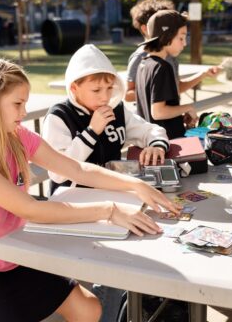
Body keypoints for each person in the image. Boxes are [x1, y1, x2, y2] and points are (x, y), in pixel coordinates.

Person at [0, 56, 179, 322]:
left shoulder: (17, 136)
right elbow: (30, 209)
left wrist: (136, 184)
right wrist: (109, 210)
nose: (23, 114)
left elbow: (77, 169)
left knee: (89, 308)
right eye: (17, 104)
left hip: (11, 257)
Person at [42, 44, 169, 321]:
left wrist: (156, 144)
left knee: (132, 254)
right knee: (112, 266)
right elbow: (59, 173)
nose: (104, 97)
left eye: (109, 89)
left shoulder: (117, 109)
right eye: (96, 90)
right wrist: (91, 131)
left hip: (115, 203)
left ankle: (120, 310)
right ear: (74, 88)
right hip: (74, 209)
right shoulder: (59, 116)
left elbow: (150, 129)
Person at [125, 0, 222, 102]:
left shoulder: (170, 54)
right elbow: (128, 95)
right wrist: (158, 90)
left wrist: (204, 74)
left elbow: (177, 88)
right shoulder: (140, 56)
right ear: (145, 28)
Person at [135, 10, 198, 139]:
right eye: (181, 37)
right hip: (168, 144)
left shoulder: (144, 65)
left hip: (152, 140)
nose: (184, 43)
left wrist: (179, 115)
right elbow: (158, 112)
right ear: (167, 36)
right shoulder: (162, 67)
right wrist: (188, 107)